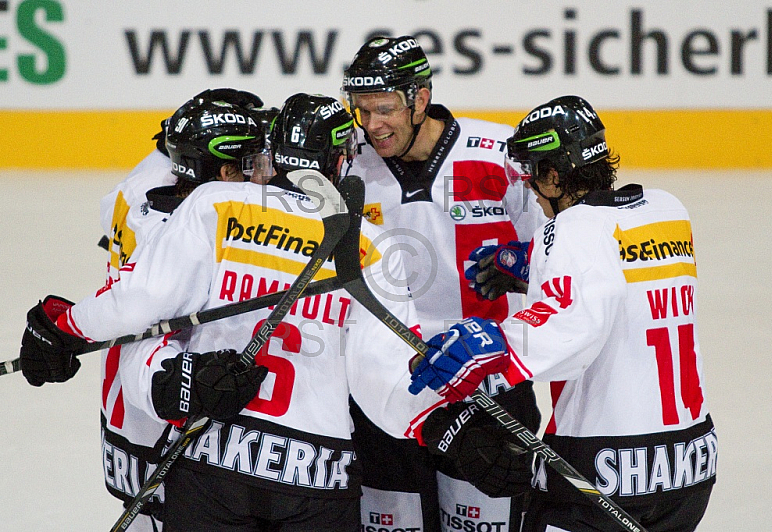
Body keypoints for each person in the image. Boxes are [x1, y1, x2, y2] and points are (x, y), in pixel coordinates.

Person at [19, 92, 443, 532]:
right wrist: (445, 422)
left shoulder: (215, 204)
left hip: (211, 456)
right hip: (318, 475)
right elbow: (385, 385)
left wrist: (68, 326)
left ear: (271, 154)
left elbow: (137, 305)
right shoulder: (372, 244)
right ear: (339, 162)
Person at [413, 95, 717, 532]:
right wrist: (530, 264)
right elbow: (620, 279)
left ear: (553, 177)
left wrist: (491, 343)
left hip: (603, 465)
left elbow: (573, 326)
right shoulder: (669, 210)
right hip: (691, 461)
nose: (531, 193)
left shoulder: (567, 231)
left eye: (533, 178)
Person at [24, 89, 269, 532]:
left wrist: (66, 326)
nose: (262, 174)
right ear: (224, 170)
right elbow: (143, 324)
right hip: (157, 428)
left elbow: (120, 204)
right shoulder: (186, 237)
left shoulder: (137, 196)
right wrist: (168, 383)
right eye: (249, 163)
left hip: (124, 419)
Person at [340, 35, 544, 532]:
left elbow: (562, 256)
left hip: (488, 379)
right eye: (361, 110)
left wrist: (523, 263)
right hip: (388, 384)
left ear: (420, 98)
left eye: (385, 108)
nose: (372, 125)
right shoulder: (348, 164)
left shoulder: (501, 155)